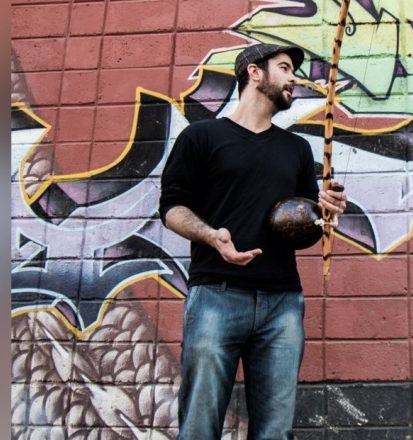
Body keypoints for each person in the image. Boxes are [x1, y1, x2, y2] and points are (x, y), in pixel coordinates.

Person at [159, 43, 347, 439]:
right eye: (284, 67)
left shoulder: (297, 149)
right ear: (254, 73)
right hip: (216, 295)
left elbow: (303, 233)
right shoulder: (201, 137)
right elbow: (172, 208)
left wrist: (322, 215)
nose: (293, 77)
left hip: (282, 304)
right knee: (199, 425)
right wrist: (212, 236)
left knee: (274, 432)